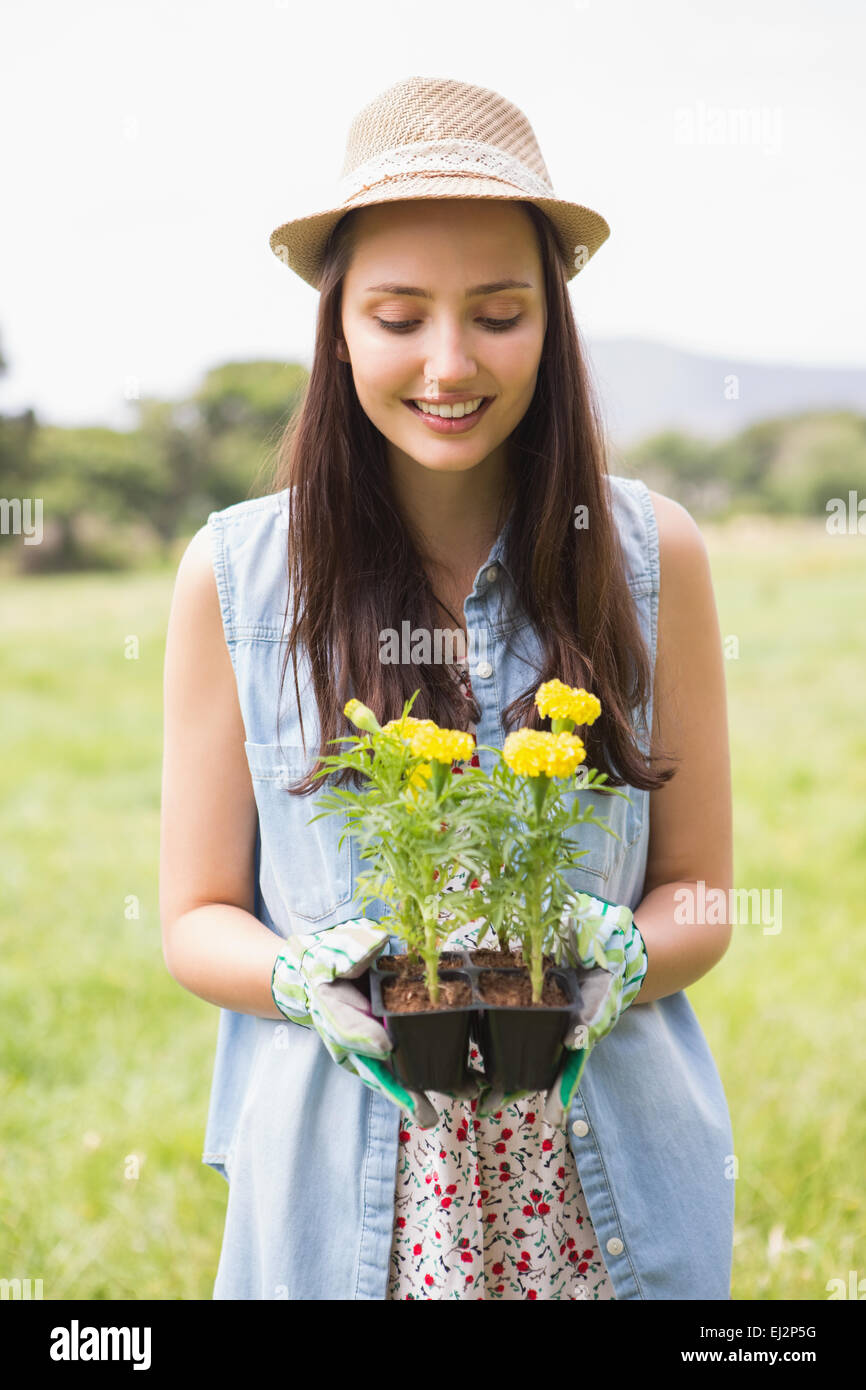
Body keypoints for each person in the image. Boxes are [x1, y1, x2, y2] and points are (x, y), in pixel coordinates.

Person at [159, 76, 735, 1300]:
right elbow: (194, 915)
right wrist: (300, 979)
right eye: (399, 315)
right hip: (343, 1206)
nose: (449, 362)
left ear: (552, 323)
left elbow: (703, 891)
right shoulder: (236, 574)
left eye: (497, 313)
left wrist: (615, 952)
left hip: (604, 1197)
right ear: (339, 329)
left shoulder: (648, 555)